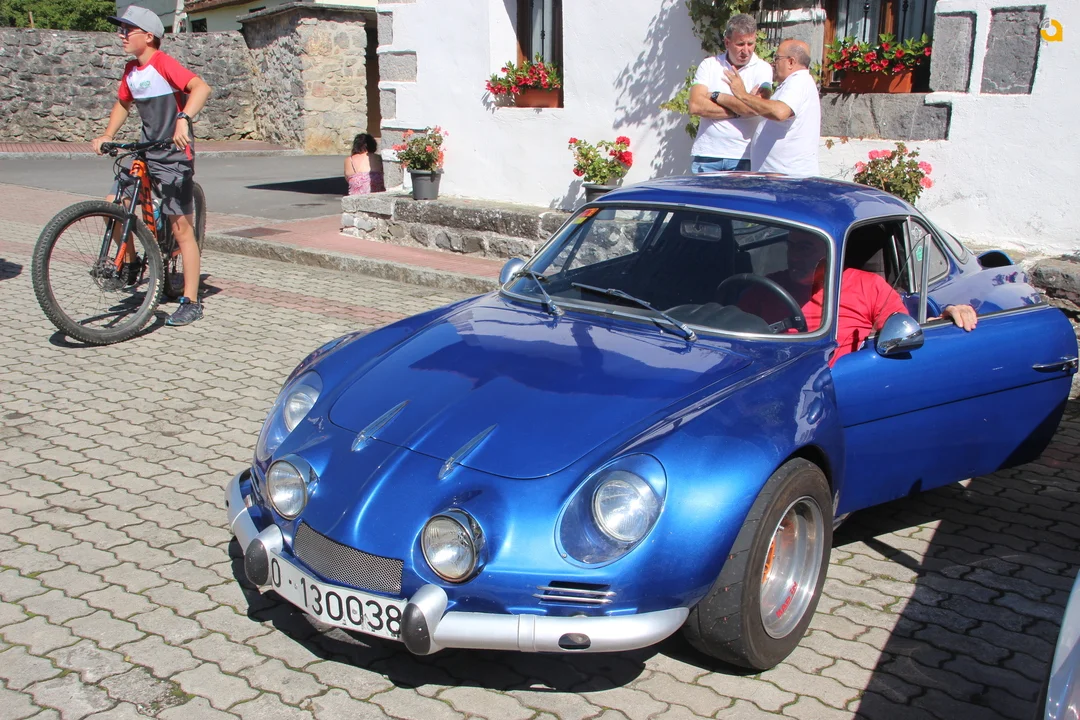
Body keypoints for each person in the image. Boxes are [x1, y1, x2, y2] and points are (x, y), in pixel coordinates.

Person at [91, 5, 212, 327]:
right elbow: (123, 103)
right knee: (111, 206)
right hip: (146, 152)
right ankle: (131, 262)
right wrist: (107, 135)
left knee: (181, 229)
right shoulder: (131, 70)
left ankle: (191, 301)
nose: (121, 35)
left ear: (148, 36)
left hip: (173, 155)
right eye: (120, 29)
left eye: (127, 30)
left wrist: (184, 118)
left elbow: (201, 88)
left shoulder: (163, 63)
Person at [739, 230, 978, 364]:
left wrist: (946, 320)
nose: (794, 256)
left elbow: (903, 332)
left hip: (837, 388)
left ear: (831, 251)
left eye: (805, 248)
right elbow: (730, 328)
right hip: (766, 380)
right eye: (791, 246)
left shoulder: (868, 286)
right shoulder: (766, 286)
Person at [686, 14, 774, 174]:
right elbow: (695, 106)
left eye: (750, 44)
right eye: (740, 44)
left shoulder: (763, 69)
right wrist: (741, 109)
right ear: (727, 42)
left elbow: (757, 107)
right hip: (707, 155)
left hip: (743, 156)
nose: (746, 50)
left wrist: (717, 96)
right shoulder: (709, 65)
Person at [724, 38, 820, 176]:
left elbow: (780, 112)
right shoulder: (794, 83)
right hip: (780, 177)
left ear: (791, 62)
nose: (773, 63)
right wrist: (752, 100)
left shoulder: (799, 81)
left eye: (777, 58)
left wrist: (742, 94)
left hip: (788, 178)